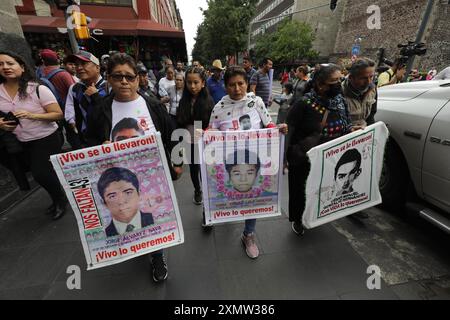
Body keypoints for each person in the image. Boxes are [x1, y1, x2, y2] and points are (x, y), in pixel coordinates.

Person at [87, 53, 181, 282]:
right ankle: (135, 246)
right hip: (117, 178)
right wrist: (99, 147)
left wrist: (177, 163)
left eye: (129, 76)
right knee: (125, 215)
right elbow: (86, 140)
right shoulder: (101, 109)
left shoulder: (154, 105)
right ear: (108, 79)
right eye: (117, 76)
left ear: (138, 79)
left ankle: (157, 255)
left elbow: (173, 135)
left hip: (152, 177)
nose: (124, 82)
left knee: (153, 217)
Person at [207, 66, 288, 259]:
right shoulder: (219, 108)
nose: (237, 88)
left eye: (240, 83)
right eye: (232, 85)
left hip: (254, 161)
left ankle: (248, 234)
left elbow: (268, 124)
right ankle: (215, 213)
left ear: (246, 84)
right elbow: (211, 131)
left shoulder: (256, 101)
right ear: (225, 86)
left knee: (252, 197)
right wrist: (206, 134)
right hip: (230, 164)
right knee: (230, 194)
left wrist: (278, 129)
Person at [0, 32, 67, 220]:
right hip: (19, 142)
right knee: (39, 173)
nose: (5, 67)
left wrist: (32, 115)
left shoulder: (37, 89)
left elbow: (58, 114)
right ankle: (56, 199)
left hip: (45, 138)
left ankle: (61, 200)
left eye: (10, 63)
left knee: (40, 174)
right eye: (1, 64)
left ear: (21, 67)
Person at [287, 64, 353, 236]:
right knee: (301, 191)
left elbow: (346, 125)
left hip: (330, 159)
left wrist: (353, 131)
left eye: (340, 79)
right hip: (305, 158)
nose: (338, 84)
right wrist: (284, 158)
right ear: (320, 84)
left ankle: (315, 215)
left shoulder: (340, 102)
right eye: (334, 81)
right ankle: (298, 219)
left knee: (321, 189)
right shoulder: (304, 103)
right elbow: (290, 129)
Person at [97, 167, 167, 282]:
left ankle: (157, 255)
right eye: (112, 196)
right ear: (104, 203)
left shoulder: (154, 219)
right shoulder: (107, 234)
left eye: (128, 192)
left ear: (138, 193)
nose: (121, 201)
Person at [176, 66, 214, 206]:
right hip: (189, 142)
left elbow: (213, 123)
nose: (192, 86)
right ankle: (197, 190)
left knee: (205, 168)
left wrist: (204, 131)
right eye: (189, 82)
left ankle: (207, 190)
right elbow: (180, 121)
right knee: (193, 168)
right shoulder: (183, 101)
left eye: (196, 82)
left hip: (205, 143)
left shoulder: (209, 101)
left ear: (203, 83)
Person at [65, 50, 108, 150]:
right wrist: (71, 120)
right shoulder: (75, 88)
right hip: (87, 140)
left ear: (97, 67)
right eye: (77, 65)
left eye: (84, 64)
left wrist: (95, 96)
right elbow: (70, 107)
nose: (79, 68)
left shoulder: (109, 87)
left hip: (108, 137)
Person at [342, 58, 377, 128]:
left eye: (371, 77)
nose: (369, 82)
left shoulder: (372, 89)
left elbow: (371, 115)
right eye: (363, 78)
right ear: (351, 77)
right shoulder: (340, 93)